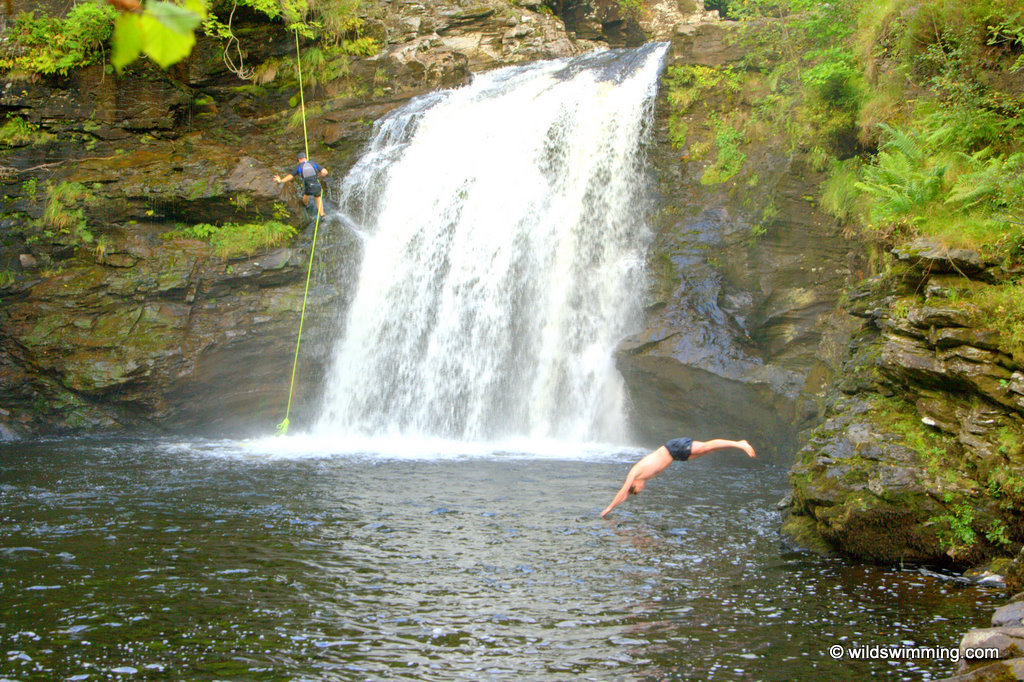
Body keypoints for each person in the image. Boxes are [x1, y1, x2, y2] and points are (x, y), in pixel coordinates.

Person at [600, 437, 757, 517]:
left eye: (638, 489)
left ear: (634, 484)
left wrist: (609, 507)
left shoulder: (635, 472)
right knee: (708, 450)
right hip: (676, 455)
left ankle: (740, 444)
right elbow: (625, 496)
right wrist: (614, 507)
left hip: (673, 448)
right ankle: (736, 445)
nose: (642, 489)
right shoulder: (641, 478)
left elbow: (623, 491)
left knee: (706, 446)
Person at [274, 153, 329, 218]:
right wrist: (318, 175)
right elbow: (325, 172)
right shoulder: (313, 163)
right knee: (317, 197)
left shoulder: (299, 167)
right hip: (316, 184)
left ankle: (306, 206)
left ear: (299, 160)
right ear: (306, 158)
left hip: (307, 185)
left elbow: (290, 176)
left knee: (305, 194)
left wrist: (281, 181)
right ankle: (322, 215)